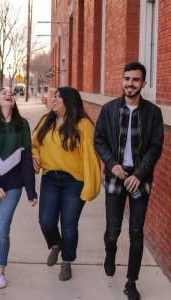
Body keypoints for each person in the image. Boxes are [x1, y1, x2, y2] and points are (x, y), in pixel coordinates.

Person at [94, 62, 163, 300]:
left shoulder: (153, 112)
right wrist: (112, 164)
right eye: (126, 79)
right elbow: (99, 140)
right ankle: (110, 252)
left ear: (143, 84)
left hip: (139, 177)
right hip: (116, 174)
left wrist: (139, 174)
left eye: (135, 80)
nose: (130, 83)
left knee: (136, 231)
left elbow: (155, 147)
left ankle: (131, 282)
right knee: (113, 231)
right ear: (122, 80)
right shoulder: (109, 109)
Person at [32, 87, 101, 281]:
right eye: (53, 97)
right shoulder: (47, 121)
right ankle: (56, 244)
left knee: (69, 224)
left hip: (74, 182)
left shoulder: (84, 125)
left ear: (69, 102)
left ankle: (67, 261)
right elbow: (34, 144)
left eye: (58, 97)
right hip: (50, 179)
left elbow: (90, 157)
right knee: (46, 221)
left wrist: (90, 186)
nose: (53, 100)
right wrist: (35, 157)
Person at [0, 88, 38, 289]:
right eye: (4, 92)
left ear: (14, 101)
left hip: (13, 185)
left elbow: (26, 161)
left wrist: (31, 191)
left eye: (12, 93)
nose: (9, 94)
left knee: (2, 228)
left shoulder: (23, 126)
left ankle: (0, 270)